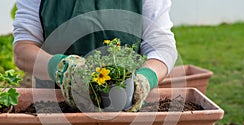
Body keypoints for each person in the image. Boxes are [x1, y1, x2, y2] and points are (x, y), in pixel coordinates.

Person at [12, 0, 178, 111]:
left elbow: (162, 47)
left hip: (125, 111)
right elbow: (23, 49)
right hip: (56, 107)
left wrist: (144, 79)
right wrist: (61, 69)